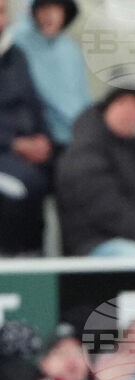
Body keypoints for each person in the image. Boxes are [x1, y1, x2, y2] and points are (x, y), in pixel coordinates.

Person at [56, 88, 135, 257]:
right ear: (107, 108)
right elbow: (108, 211)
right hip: (94, 244)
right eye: (123, 105)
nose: (129, 115)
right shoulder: (86, 152)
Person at [0, 0, 52, 256]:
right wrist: (13, 143)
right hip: (7, 153)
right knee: (22, 187)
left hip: (27, 151)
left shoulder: (16, 56)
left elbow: (34, 104)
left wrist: (42, 140)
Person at [10, 0, 90, 149]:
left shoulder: (69, 49)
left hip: (81, 133)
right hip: (39, 136)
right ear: (33, 11)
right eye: (44, 9)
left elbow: (83, 98)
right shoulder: (17, 43)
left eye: (56, 9)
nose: (49, 16)